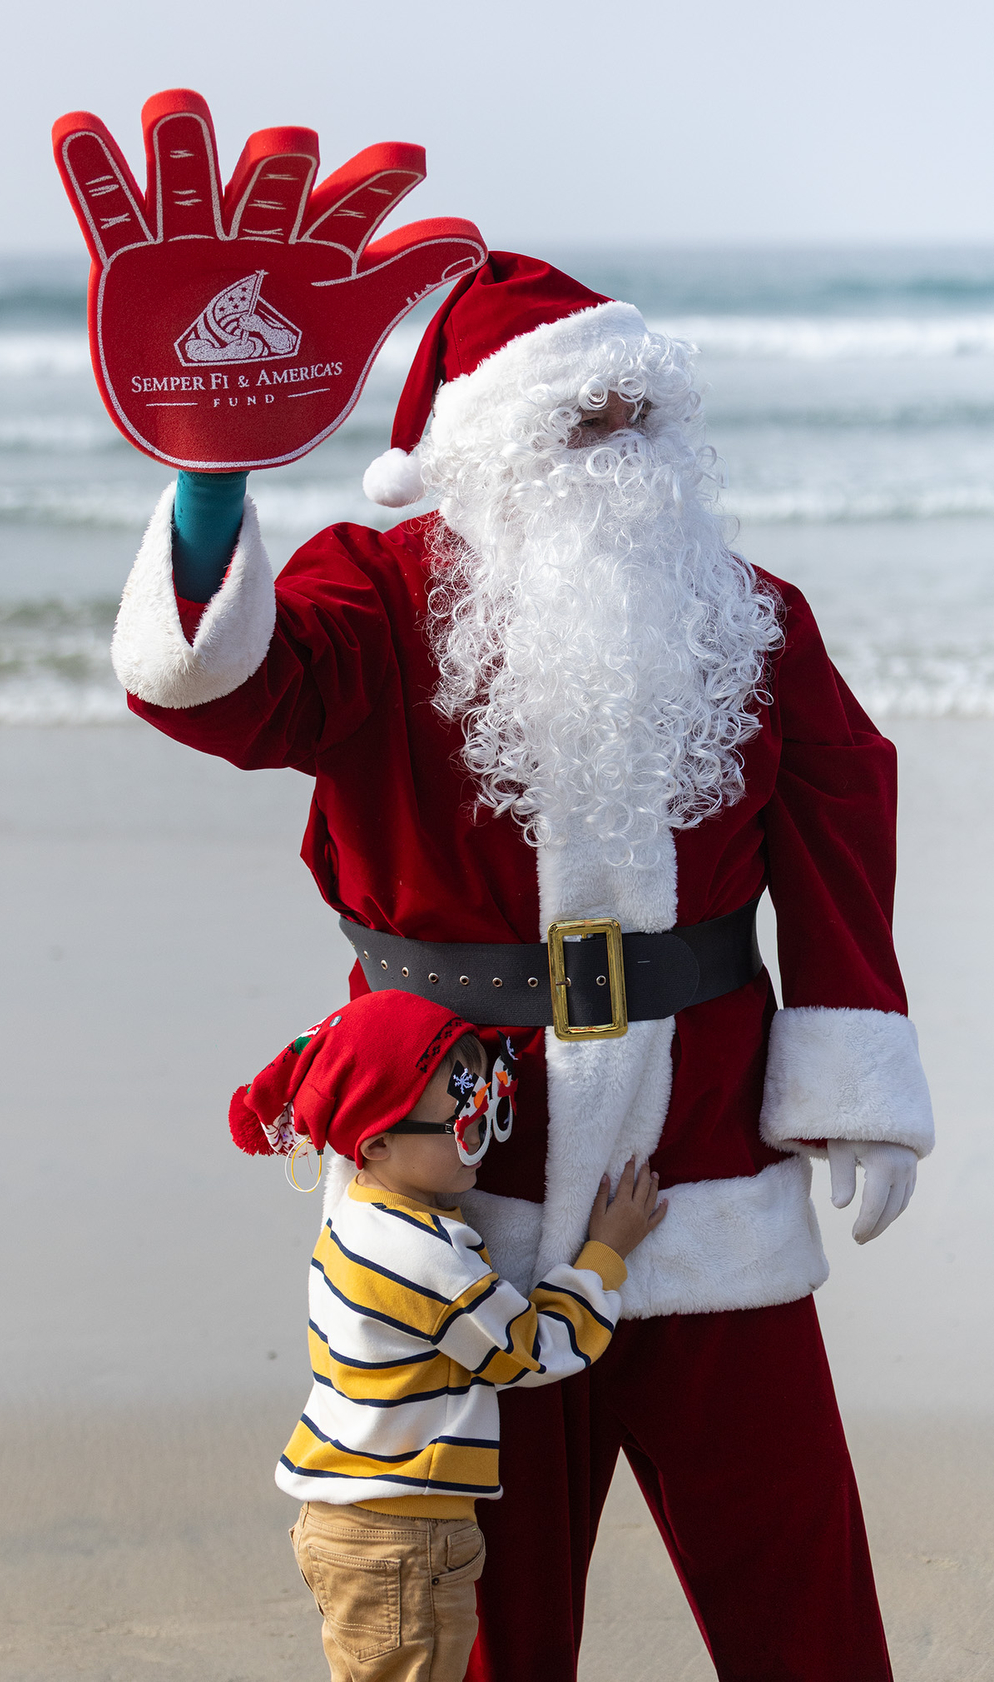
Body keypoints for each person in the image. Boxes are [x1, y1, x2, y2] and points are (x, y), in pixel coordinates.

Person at [108, 251, 935, 1681]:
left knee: (804, 1605)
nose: (618, 440)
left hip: (706, 1177)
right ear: (475, 451)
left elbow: (844, 801)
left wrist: (852, 1071)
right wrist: (208, 491)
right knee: (488, 1627)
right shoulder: (370, 592)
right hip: (463, 1197)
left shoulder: (745, 611)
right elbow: (228, 688)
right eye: (577, 415)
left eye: (637, 407)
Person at [230, 990, 665, 1682]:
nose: (485, 1137)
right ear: (376, 1143)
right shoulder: (424, 1255)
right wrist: (604, 1256)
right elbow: (529, 1350)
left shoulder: (360, 1220)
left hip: (351, 1524)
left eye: (493, 1106)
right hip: (402, 1541)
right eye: (463, 1126)